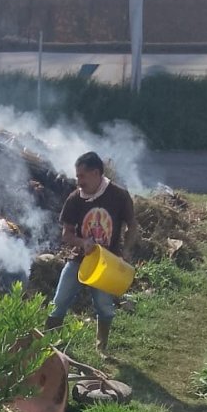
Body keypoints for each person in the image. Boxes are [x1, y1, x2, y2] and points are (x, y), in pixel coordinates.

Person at [47, 151, 138, 356]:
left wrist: (127, 251)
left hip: (107, 264)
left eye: (82, 176)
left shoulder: (118, 195)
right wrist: (81, 242)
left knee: (104, 306)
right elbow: (66, 234)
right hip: (80, 260)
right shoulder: (75, 199)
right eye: (77, 176)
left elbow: (132, 225)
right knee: (59, 302)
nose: (78, 181)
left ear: (96, 173)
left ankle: (101, 348)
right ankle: (50, 347)